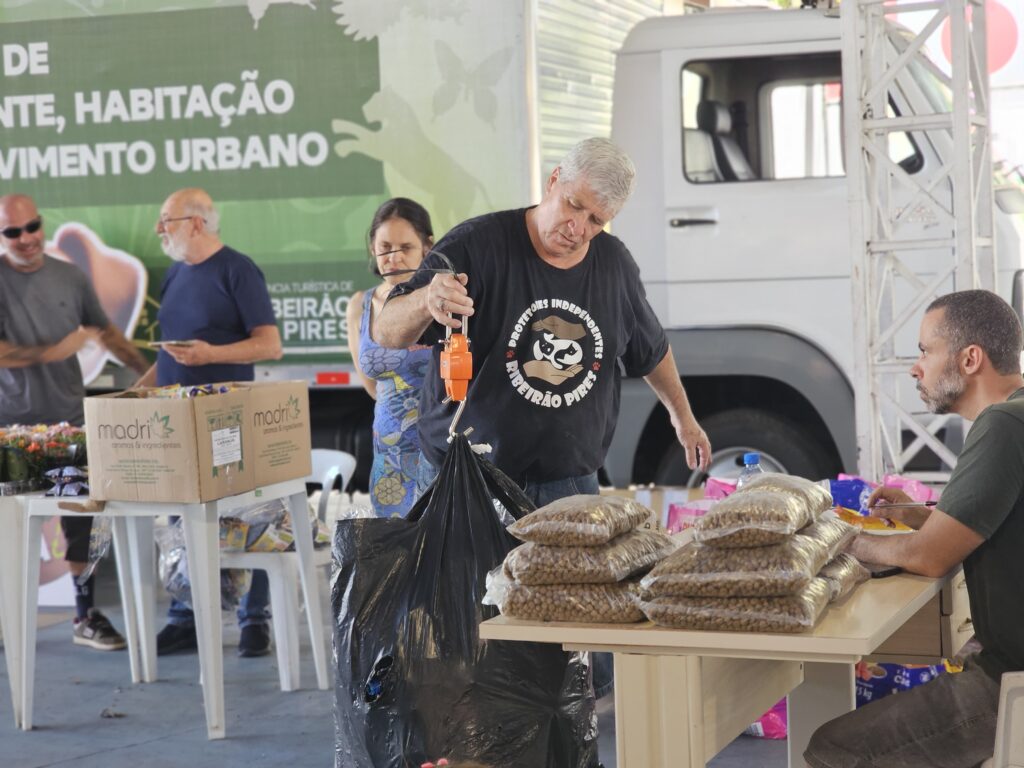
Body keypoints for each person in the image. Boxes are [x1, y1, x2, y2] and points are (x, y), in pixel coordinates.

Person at [377, 137, 712, 699]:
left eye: (596, 219)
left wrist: (684, 417)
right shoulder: (479, 244)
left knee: (577, 645)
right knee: (475, 635)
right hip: (473, 481)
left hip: (569, 484)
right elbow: (386, 328)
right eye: (573, 206)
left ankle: (568, 734)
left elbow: (650, 349)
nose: (578, 227)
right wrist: (424, 301)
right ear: (554, 180)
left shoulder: (614, 264)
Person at [805, 289, 1024, 768]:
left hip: (1011, 682)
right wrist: (922, 516)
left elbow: (930, 557)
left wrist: (839, 540)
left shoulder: (1003, 426)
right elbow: (996, 523)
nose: (915, 367)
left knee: (832, 748)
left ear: (970, 359)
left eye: (926, 351)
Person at [0, 193, 150, 651]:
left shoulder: (70, 276)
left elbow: (106, 333)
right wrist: (50, 353)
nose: (27, 239)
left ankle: (85, 614)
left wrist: (147, 375)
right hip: (10, 430)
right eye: (13, 232)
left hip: (68, 421)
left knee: (79, 517)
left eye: (33, 227)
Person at [138, 188, 284, 658]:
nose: (160, 229)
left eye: (167, 220)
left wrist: (211, 356)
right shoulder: (175, 275)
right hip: (178, 420)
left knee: (250, 515)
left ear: (197, 222)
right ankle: (186, 617)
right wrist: (137, 391)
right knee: (183, 518)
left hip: (228, 420)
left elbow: (269, 345)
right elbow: (172, 353)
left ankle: (254, 621)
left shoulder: (238, 270)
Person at [346, 198, 434, 516]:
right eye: (385, 247)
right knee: (395, 552)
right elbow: (372, 386)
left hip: (440, 448)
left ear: (427, 247)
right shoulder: (361, 304)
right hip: (389, 453)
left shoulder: (436, 300)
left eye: (405, 247)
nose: (393, 257)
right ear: (372, 247)